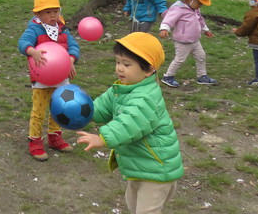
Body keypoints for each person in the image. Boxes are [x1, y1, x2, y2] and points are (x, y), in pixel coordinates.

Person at [77, 33, 183, 214]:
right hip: (139, 167)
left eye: (126, 64)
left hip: (157, 171)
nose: (119, 68)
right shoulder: (121, 89)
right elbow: (102, 107)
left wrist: (103, 138)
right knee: (133, 205)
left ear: (148, 70)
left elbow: (129, 124)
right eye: (117, 62)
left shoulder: (146, 97)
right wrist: (82, 111)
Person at [18, 0, 80, 161]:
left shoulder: (62, 29)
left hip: (61, 78)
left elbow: (73, 46)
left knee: (58, 109)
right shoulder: (35, 28)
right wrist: (32, 51)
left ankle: (55, 137)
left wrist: (71, 60)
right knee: (39, 111)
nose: (53, 15)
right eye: (48, 12)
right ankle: (35, 141)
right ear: (38, 14)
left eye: (55, 11)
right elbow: (23, 42)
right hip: (41, 79)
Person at [158, 0, 217, 87]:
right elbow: (168, 19)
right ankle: (168, 76)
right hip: (182, 41)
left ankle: (202, 76)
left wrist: (205, 30)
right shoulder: (179, 9)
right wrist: (164, 29)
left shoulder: (195, 9)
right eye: (199, 3)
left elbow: (200, 20)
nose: (200, 6)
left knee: (201, 56)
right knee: (180, 59)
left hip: (195, 40)